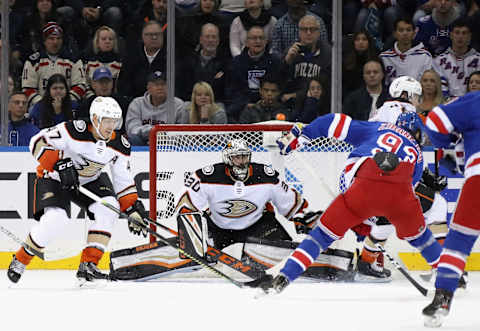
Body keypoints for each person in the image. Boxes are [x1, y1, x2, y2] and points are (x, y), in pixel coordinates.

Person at [255, 110, 445, 294]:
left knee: (320, 237)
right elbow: (400, 193)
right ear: (419, 134)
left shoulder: (381, 128)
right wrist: (378, 217)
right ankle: (449, 275)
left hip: (362, 183)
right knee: (420, 238)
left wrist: (303, 134)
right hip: (397, 194)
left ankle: (285, 276)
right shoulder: (418, 156)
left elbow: (335, 121)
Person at [6, 96, 149, 286]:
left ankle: (88, 266)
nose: (110, 126)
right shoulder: (72, 130)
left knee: (109, 208)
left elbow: (122, 179)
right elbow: (36, 142)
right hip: (55, 178)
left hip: (90, 181)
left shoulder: (119, 145)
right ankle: (22, 258)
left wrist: (132, 208)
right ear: (95, 119)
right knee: (57, 220)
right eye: (107, 121)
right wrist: (58, 164)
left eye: (114, 121)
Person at [421, 85, 480, 327]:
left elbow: (435, 121)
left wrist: (449, 140)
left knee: (458, 242)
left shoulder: (475, 101)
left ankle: (442, 298)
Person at [22, 21, 86, 110]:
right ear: (44, 41)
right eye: (51, 38)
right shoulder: (33, 61)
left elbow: (80, 85)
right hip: (41, 107)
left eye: (58, 38)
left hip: (67, 106)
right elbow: (27, 88)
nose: (55, 42)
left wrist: (65, 102)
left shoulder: (73, 60)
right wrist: (43, 103)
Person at [125, 71, 184, 145]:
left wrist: (163, 135)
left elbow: (182, 131)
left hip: (169, 142)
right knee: (133, 139)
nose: (160, 87)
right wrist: (153, 131)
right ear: (148, 88)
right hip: (144, 140)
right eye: (156, 85)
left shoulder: (178, 104)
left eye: (163, 84)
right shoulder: (137, 103)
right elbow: (132, 129)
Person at [117, 21, 166, 99]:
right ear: (143, 37)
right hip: (136, 102)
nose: (154, 37)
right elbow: (124, 84)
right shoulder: (131, 56)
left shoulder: (171, 56)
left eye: (157, 34)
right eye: (150, 35)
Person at [433, 18, 480, 98]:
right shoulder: (439, 61)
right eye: (457, 33)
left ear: (469, 36)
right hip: (448, 104)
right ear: (451, 35)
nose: (460, 36)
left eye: (464, 33)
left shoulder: (478, 60)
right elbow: (439, 88)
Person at [380, 17, 433, 86]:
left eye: (408, 30)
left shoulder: (425, 56)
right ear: (394, 34)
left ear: (414, 34)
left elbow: (427, 84)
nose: (405, 33)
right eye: (401, 30)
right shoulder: (384, 57)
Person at [77, 67, 130, 132]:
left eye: (107, 82)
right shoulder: (86, 105)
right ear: (93, 84)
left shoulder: (123, 103)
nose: (104, 85)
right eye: (101, 82)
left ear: (112, 84)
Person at [82, 26, 123, 99]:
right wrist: (92, 98)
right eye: (104, 39)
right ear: (97, 42)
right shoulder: (90, 65)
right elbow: (85, 85)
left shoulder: (120, 65)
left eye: (110, 39)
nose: (107, 41)